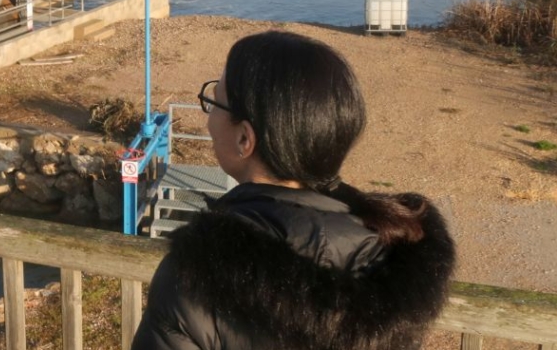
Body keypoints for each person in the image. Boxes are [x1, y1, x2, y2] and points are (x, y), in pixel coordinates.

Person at [132, 31, 456, 350]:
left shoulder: (192, 280)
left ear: (245, 139)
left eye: (215, 100)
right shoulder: (390, 259)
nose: (209, 118)